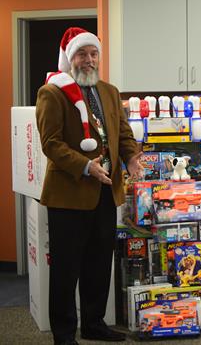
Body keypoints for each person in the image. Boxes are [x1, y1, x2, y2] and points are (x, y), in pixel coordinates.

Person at [36, 27, 142, 345]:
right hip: (69, 194)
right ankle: (65, 334)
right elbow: (51, 143)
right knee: (67, 269)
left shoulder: (108, 90)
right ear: (71, 59)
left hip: (106, 191)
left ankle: (94, 323)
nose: (89, 60)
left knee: (98, 263)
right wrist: (85, 166)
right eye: (82, 54)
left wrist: (132, 157)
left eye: (93, 53)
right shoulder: (52, 93)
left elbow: (121, 132)